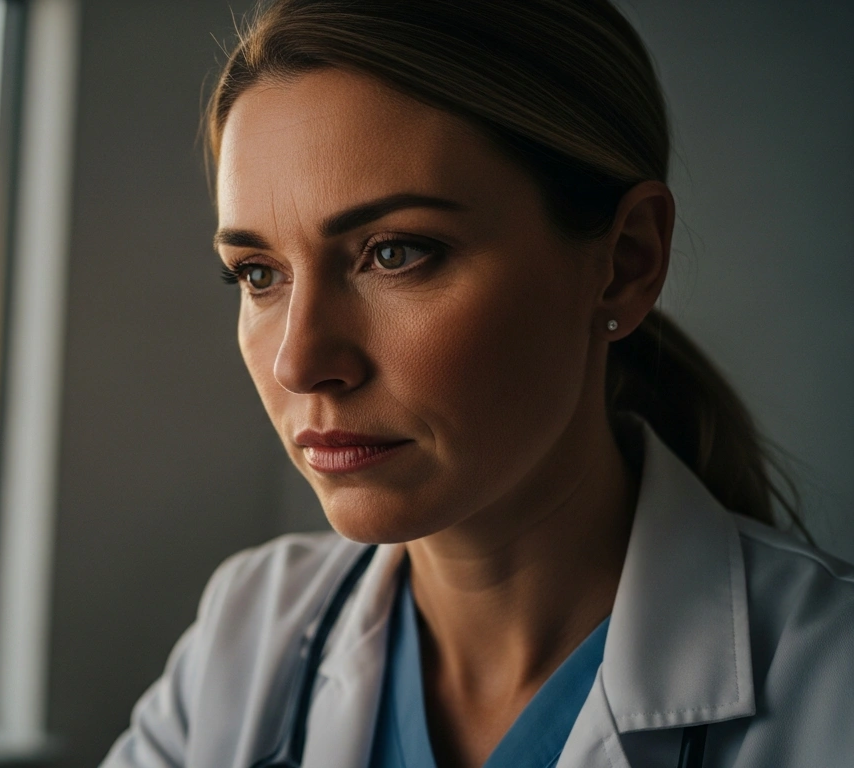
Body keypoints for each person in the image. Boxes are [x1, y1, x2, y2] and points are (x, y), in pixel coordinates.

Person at [99, 1, 854, 767]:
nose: (298, 362)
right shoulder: (246, 630)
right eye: (259, 274)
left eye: (395, 254)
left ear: (625, 261)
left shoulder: (832, 683)